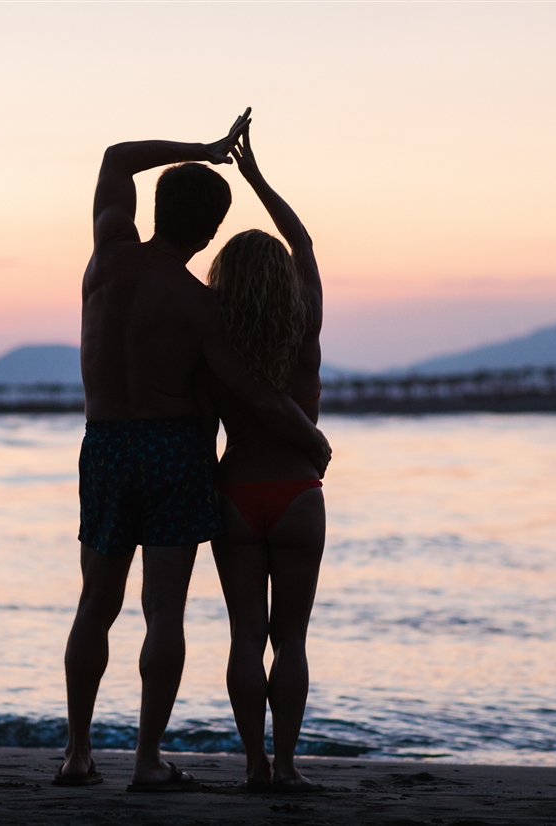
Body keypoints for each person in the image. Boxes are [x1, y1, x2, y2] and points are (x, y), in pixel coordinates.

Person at [56, 110, 332, 791]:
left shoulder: (107, 255)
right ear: (209, 231)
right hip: (176, 451)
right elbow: (256, 395)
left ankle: (78, 753)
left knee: (96, 603)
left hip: (107, 444)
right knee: (163, 613)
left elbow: (118, 154)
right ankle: (149, 759)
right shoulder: (200, 305)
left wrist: (204, 149)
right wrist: (312, 438)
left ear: (155, 208)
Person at [200, 124, 326, 792]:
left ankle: (252, 765)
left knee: (246, 635)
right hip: (299, 492)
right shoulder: (305, 315)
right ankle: (286, 765)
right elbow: (302, 242)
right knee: (292, 640)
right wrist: (256, 181)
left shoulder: (214, 329)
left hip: (236, 493)